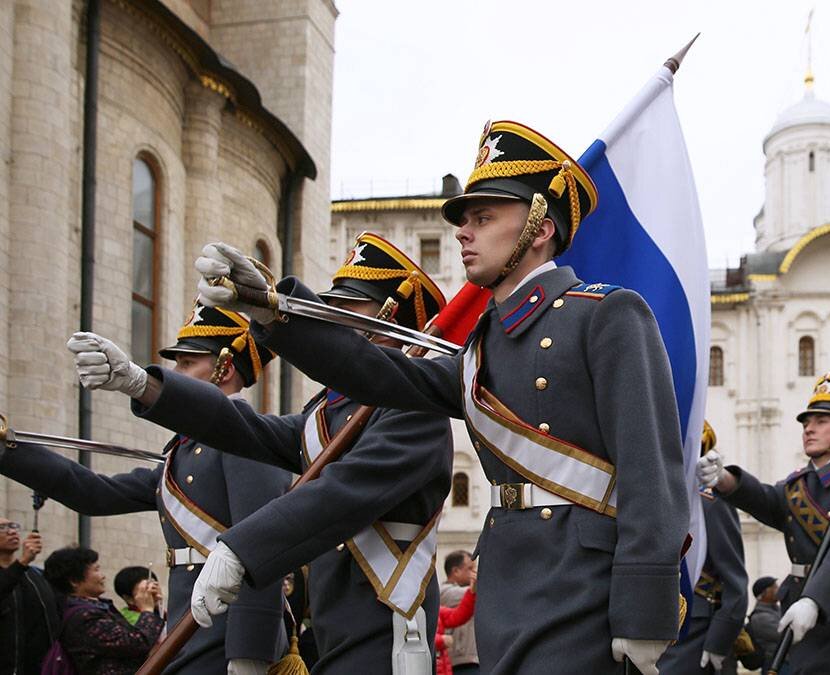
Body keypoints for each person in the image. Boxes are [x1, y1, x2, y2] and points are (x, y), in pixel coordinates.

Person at [193, 119, 689, 674]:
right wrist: (274, 311)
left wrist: (645, 608)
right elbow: (375, 372)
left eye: (483, 217)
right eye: (464, 220)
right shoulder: (482, 350)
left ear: (540, 226)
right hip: (507, 589)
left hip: (582, 590)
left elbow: (652, 469)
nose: (462, 233)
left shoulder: (606, 314)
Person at [118, 233, 452, 673]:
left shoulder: (414, 409)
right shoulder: (328, 410)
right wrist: (151, 388)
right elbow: (245, 427)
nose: (332, 316)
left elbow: (346, 490)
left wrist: (242, 547)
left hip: (387, 618)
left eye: (348, 307)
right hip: (335, 624)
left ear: (389, 318)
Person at [1, 303, 290, 674]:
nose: (175, 373)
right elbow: (94, 493)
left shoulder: (249, 439)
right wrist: (8, 450)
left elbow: (262, 548)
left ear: (225, 367)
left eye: (187, 364)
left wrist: (250, 651)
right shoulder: (183, 453)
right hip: (189, 627)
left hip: (226, 632)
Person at [698, 373, 830, 673]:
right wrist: (724, 480)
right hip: (800, 610)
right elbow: (766, 500)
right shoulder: (797, 485)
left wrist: (815, 600)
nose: (809, 429)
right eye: (806, 422)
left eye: (821, 420)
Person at [660, 422, 748, 675]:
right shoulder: (655, 500)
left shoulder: (711, 504)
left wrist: (719, 642)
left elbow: (735, 580)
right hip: (658, 622)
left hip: (697, 631)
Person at [42, 546, 164, 675]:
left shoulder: (97, 608)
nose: (103, 576)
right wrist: (147, 610)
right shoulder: (83, 617)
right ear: (74, 581)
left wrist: (154, 607)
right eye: (96, 570)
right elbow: (137, 643)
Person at [0, 518, 58, 674]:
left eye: (13, 526)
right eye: (2, 528)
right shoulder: (21, 567)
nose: (11, 531)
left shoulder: (35, 575)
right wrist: (23, 561)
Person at [440, 550, 479, 674]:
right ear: (456, 571)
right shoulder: (445, 592)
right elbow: (459, 614)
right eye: (470, 568)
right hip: (460, 662)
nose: (475, 572)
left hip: (470, 660)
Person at [743, 577, 783, 673]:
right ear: (763, 593)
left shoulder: (776, 610)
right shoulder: (761, 618)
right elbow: (784, 634)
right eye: (774, 587)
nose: (778, 590)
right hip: (775, 664)